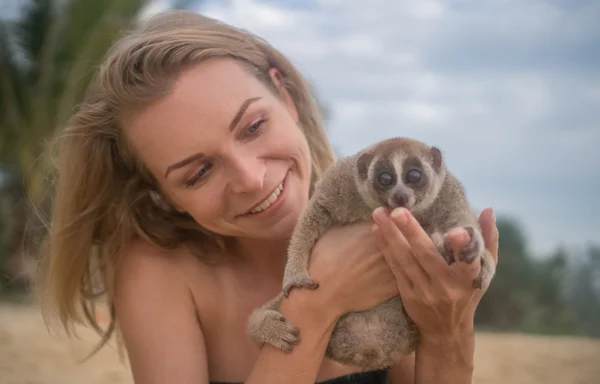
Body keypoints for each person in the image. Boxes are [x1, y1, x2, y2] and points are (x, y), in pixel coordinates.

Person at [37, 10, 499, 384]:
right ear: (163, 193)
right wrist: (316, 306)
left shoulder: (383, 226)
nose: (252, 178)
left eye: (254, 127)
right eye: (198, 172)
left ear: (286, 96)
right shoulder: (159, 273)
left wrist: (448, 324)